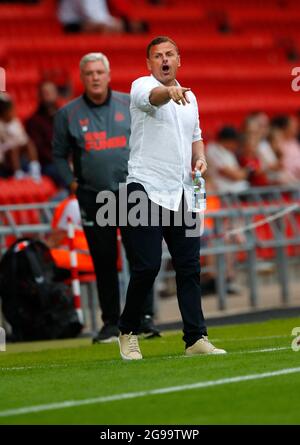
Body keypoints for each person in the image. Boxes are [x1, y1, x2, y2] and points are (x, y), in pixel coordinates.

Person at [117, 36, 226, 360]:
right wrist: (169, 92)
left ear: (179, 60)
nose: (163, 60)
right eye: (157, 56)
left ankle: (196, 337)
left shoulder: (191, 99)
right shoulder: (141, 86)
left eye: (169, 55)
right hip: (144, 188)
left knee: (189, 266)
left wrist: (200, 159)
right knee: (147, 266)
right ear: (149, 63)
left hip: (183, 192)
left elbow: (197, 137)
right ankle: (127, 330)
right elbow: (153, 97)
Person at [52, 52, 160, 343]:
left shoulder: (130, 104)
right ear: (82, 78)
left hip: (132, 192)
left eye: (100, 72)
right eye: (89, 73)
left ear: (108, 75)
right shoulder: (67, 114)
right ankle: (111, 322)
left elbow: (150, 139)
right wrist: (71, 183)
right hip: (94, 197)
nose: (95, 77)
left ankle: (143, 318)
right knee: (104, 260)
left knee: (141, 257)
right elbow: (58, 156)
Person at [26, 81, 66, 188]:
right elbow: (39, 150)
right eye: (45, 92)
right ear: (39, 96)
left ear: (57, 94)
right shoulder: (33, 121)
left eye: (50, 92)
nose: (48, 95)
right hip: (49, 164)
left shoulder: (65, 117)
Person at [0, 93, 41, 181]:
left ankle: (35, 169)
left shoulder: (15, 122)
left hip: (20, 153)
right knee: (13, 150)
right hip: (7, 156)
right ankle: (17, 173)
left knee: (29, 144)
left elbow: (23, 139)